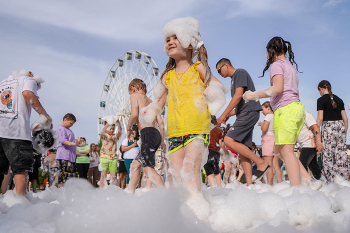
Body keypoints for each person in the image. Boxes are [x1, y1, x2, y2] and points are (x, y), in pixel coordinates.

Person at [153, 17, 226, 220]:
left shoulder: (198, 69)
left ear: (190, 43)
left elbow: (217, 86)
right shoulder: (167, 76)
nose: (170, 41)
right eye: (168, 38)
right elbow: (159, 103)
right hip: (175, 130)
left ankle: (197, 210)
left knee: (190, 166)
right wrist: (149, 111)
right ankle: (184, 211)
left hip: (197, 127)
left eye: (176, 37)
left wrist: (211, 94)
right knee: (176, 171)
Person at [243, 37, 305, 186]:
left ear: (271, 51)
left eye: (266, 52)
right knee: (279, 150)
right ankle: (308, 179)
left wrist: (253, 95)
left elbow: (277, 89)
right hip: (297, 109)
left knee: (287, 152)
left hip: (285, 110)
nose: (265, 56)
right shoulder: (290, 66)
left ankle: (297, 191)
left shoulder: (276, 65)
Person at [216, 58, 269, 186]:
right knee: (243, 150)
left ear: (226, 65)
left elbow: (238, 96)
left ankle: (261, 163)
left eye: (219, 70)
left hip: (249, 112)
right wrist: (229, 114)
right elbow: (240, 103)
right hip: (245, 112)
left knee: (228, 140)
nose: (219, 73)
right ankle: (249, 184)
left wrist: (223, 114)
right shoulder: (234, 80)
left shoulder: (239, 73)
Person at [0, 70, 52, 196]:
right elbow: (28, 94)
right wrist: (43, 115)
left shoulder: (2, 83)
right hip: (16, 132)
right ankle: (20, 207)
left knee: (1, 170)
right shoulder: (28, 79)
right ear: (30, 73)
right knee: (21, 168)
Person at [125, 79, 165, 194]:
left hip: (147, 133)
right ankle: (130, 192)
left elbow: (134, 114)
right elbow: (160, 123)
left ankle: (165, 195)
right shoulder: (151, 101)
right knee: (136, 165)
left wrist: (129, 127)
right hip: (155, 134)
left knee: (148, 167)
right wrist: (161, 141)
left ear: (132, 88)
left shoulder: (134, 96)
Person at [317, 80, 348, 182]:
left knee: (328, 157)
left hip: (328, 128)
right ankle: (343, 182)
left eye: (319, 91)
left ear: (321, 89)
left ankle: (331, 183)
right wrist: (345, 133)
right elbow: (345, 119)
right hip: (340, 127)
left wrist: (315, 130)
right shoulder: (339, 100)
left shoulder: (321, 100)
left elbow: (320, 118)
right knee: (341, 157)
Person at [258, 101, 283, 185]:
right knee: (276, 165)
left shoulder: (268, 116)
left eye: (263, 109)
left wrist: (262, 124)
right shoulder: (276, 116)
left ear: (268, 107)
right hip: (275, 141)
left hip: (268, 141)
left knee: (268, 166)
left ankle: (269, 185)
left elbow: (264, 129)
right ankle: (280, 183)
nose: (262, 111)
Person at [296, 111, 324, 180]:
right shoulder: (295, 116)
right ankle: (321, 181)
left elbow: (316, 127)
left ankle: (307, 183)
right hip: (305, 145)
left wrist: (318, 142)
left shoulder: (305, 114)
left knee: (302, 165)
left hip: (309, 144)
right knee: (313, 166)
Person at [56, 113, 79, 188]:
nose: (71, 125)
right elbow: (63, 141)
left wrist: (78, 144)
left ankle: (68, 194)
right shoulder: (61, 129)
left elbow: (72, 142)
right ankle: (61, 194)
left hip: (70, 156)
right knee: (63, 176)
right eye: (70, 123)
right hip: (64, 155)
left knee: (70, 177)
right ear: (65, 119)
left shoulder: (68, 130)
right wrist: (74, 144)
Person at [99, 121, 122, 188]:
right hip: (104, 157)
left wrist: (119, 123)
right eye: (110, 128)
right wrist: (107, 123)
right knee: (103, 175)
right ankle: (102, 189)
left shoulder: (115, 136)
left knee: (113, 176)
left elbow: (120, 132)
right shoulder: (104, 136)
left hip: (113, 158)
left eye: (113, 128)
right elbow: (102, 131)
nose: (112, 130)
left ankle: (113, 190)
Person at [204, 116, 223, 187]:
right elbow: (220, 143)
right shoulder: (218, 130)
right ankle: (219, 186)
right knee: (216, 169)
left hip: (206, 151)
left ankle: (213, 186)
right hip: (215, 151)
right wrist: (220, 149)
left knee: (208, 169)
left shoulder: (205, 129)